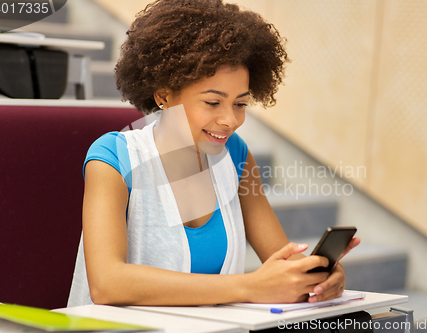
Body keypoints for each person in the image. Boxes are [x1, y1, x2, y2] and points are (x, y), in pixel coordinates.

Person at [68, 0, 360, 307]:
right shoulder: (112, 158)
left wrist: (317, 278)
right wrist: (248, 287)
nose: (230, 120)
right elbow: (107, 283)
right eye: (212, 102)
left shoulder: (235, 157)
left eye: (240, 104)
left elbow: (281, 261)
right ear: (164, 95)